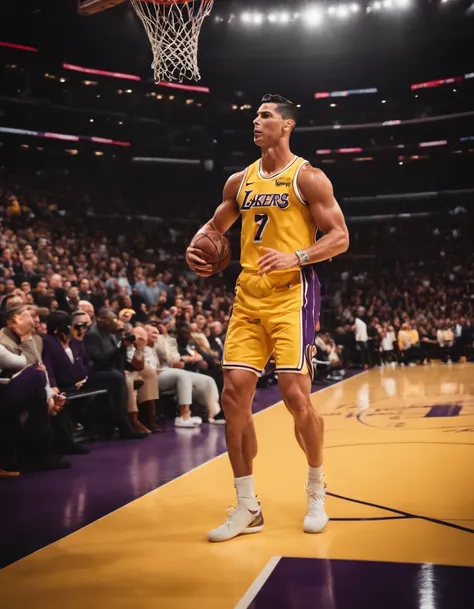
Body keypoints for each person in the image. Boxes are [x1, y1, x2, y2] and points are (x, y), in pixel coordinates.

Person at [186, 94, 349, 542]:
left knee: (296, 396)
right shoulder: (240, 181)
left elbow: (339, 237)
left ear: (287, 126)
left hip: (292, 295)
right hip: (248, 296)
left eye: (266, 116)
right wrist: (197, 244)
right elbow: (213, 227)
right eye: (255, 116)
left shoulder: (307, 178)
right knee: (234, 395)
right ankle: (246, 506)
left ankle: (316, 489)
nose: (256, 122)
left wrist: (297, 256)